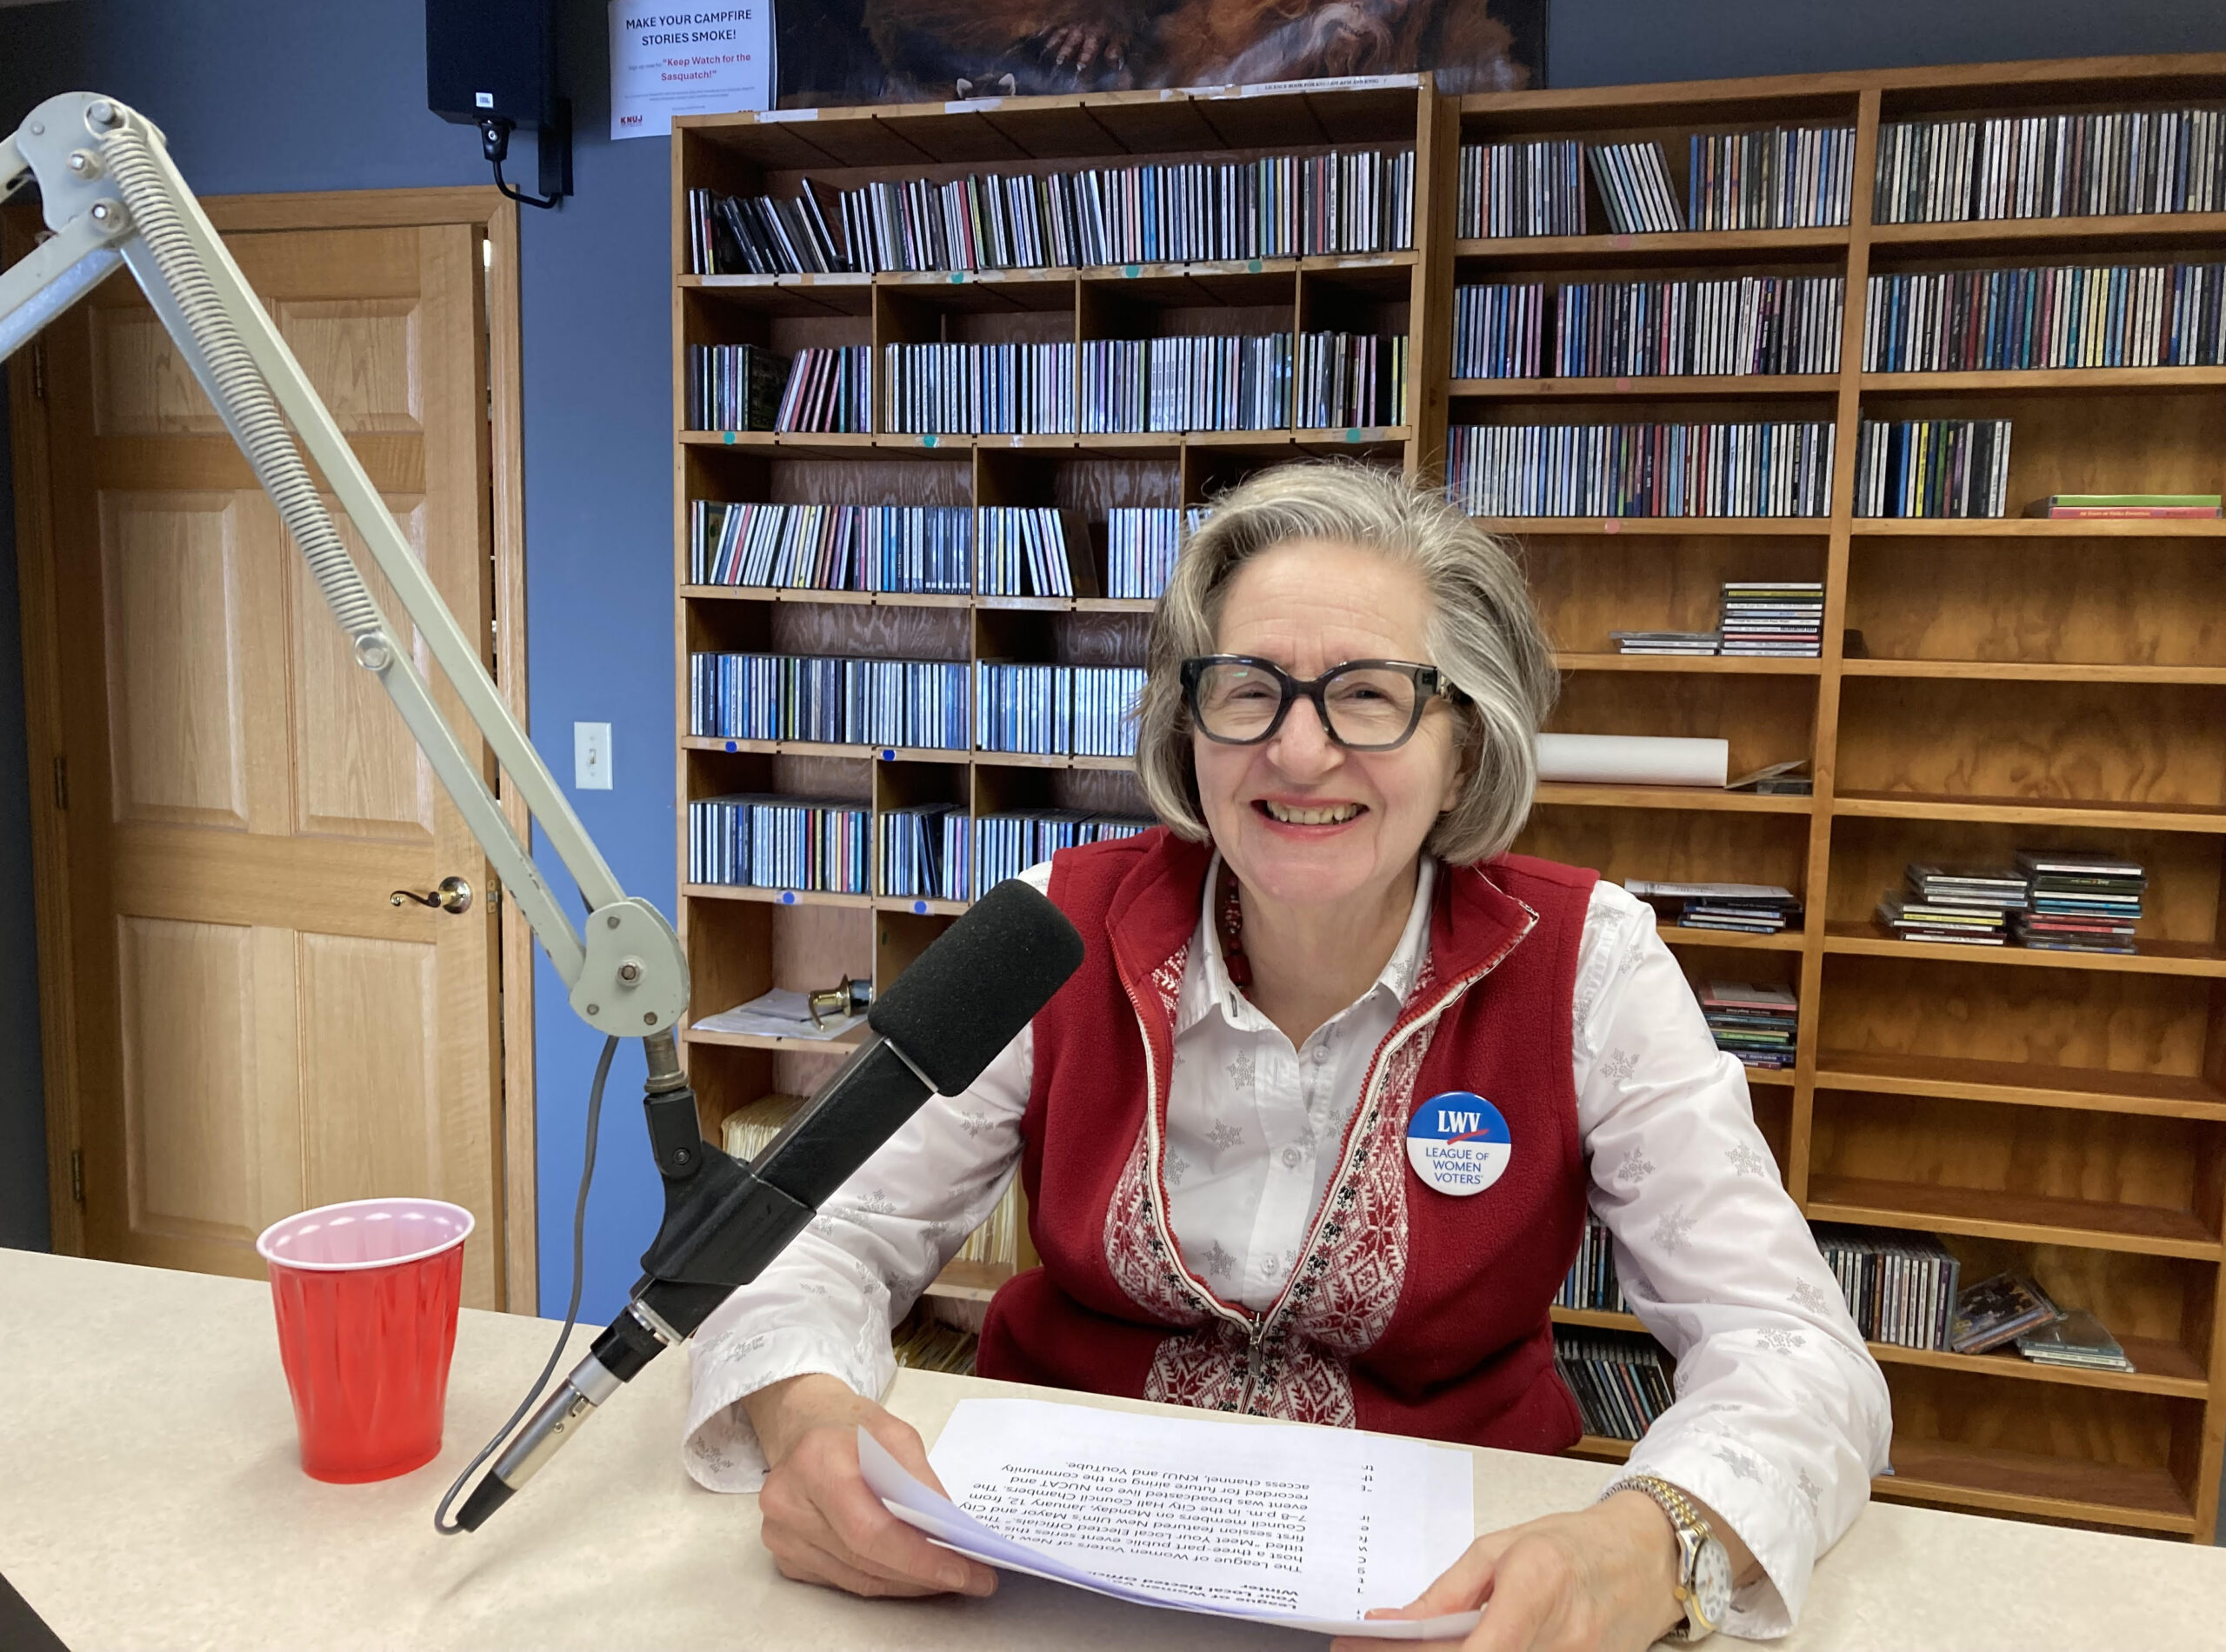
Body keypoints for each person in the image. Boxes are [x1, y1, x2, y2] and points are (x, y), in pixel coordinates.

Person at [683, 461, 1891, 1646]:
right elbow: (810, 1237)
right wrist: (806, 1416)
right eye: (1247, 689)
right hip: (1045, 1581)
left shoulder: (1592, 965)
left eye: (1369, 695)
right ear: (1190, 728)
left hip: (1444, 1608)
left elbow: (1793, 1353)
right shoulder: (1055, 927)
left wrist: (1647, 1545)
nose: (1300, 753)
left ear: (1466, 748)